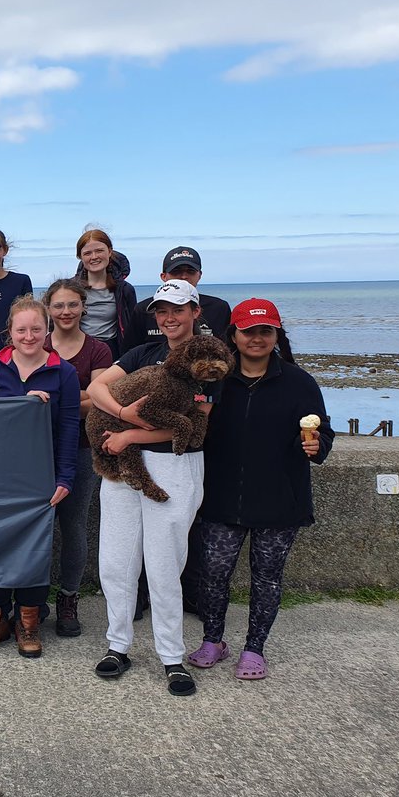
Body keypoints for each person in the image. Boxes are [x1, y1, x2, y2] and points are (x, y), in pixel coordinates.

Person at [87, 279, 220, 696]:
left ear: (195, 312)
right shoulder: (142, 352)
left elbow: (198, 427)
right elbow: (95, 387)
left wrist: (129, 435)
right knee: (115, 561)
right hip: (123, 471)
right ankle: (118, 644)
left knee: (164, 566)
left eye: (177, 310)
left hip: (174, 466)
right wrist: (124, 412)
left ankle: (171, 656)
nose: (168, 318)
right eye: (162, 311)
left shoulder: (207, 357)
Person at [188, 299, 333, 680]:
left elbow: (323, 433)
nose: (256, 338)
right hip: (220, 497)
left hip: (279, 500)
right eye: (248, 331)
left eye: (265, 331)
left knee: (267, 577)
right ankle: (213, 639)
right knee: (213, 573)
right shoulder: (213, 380)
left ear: (276, 335)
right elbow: (193, 429)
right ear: (232, 335)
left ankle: (255, 648)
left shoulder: (299, 381)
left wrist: (318, 445)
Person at [0, 295, 80, 657]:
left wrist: (65, 477)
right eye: (22, 329)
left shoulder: (63, 371)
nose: (29, 336)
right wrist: (23, 404)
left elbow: (68, 428)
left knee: (34, 549)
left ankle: (28, 620)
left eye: (36, 329)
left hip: (40, 474)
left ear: (47, 330)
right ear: (9, 332)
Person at [43, 279, 113, 636]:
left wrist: (51, 402)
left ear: (83, 307)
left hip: (82, 450)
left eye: (72, 305)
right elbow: (20, 397)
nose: (66, 312)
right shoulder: (34, 343)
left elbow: (99, 402)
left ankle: (68, 597)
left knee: (73, 527)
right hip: (34, 452)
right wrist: (76, 396)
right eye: (58, 305)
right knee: (35, 528)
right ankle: (34, 596)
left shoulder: (98, 351)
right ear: (48, 309)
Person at [122, 246, 231, 350]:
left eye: (190, 271)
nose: (184, 276)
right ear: (163, 276)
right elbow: (129, 350)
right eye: (176, 271)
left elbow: (229, 349)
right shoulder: (144, 308)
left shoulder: (219, 308)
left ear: (199, 275)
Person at [72, 228, 137, 359]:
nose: (94, 257)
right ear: (80, 257)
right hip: (76, 350)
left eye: (99, 251)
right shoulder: (70, 289)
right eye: (88, 253)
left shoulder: (124, 290)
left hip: (112, 351)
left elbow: (132, 328)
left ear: (110, 251)